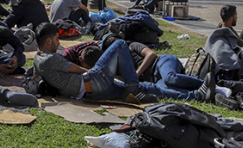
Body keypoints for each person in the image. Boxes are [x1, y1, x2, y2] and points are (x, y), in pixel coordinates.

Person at [34, 23, 173, 102]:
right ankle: (133, 88)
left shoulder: (38, 59)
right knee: (120, 44)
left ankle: (191, 95)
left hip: (91, 93)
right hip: (92, 82)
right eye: (57, 39)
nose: (59, 43)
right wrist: (96, 72)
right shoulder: (51, 59)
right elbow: (77, 69)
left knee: (146, 87)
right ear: (48, 41)